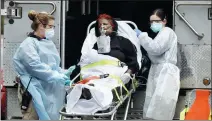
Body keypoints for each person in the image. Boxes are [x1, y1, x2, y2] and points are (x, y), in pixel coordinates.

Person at [13, 10, 75, 120]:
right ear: (41, 25)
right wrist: (56, 76)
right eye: (50, 26)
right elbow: (35, 67)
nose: (52, 30)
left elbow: (52, 66)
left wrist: (63, 73)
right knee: (32, 116)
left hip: (46, 88)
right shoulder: (28, 44)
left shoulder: (47, 43)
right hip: (32, 88)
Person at [134, 9, 180, 120]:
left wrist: (142, 36)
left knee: (160, 108)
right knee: (154, 106)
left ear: (164, 21)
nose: (153, 24)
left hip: (165, 73)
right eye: (151, 21)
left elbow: (156, 49)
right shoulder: (161, 34)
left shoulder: (167, 32)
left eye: (157, 21)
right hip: (159, 71)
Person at [93, 14, 140, 82]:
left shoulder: (123, 41)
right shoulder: (96, 44)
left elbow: (133, 63)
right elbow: (90, 60)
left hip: (117, 75)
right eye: (100, 25)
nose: (102, 27)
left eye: (105, 24)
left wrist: (127, 74)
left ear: (112, 26)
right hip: (98, 75)